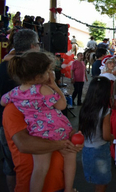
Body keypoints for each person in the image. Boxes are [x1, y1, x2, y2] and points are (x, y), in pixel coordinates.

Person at [1, 51, 77, 192]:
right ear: (39, 76)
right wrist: (54, 85)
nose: (51, 73)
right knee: (70, 154)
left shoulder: (15, 93)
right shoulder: (43, 89)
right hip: (57, 131)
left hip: (37, 131)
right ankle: (69, 189)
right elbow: (61, 105)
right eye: (49, 71)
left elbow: (2, 101)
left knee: (40, 169)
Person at [0, 29, 40, 192]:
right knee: (29, 167)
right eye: (38, 44)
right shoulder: (34, 68)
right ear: (32, 46)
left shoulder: (3, 65)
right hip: (30, 126)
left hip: (5, 124)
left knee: (11, 166)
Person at [79, 76, 114, 192]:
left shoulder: (85, 108)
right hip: (100, 151)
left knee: (95, 180)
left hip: (87, 149)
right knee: (101, 183)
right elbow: (106, 136)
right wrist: (112, 138)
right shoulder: (105, 111)